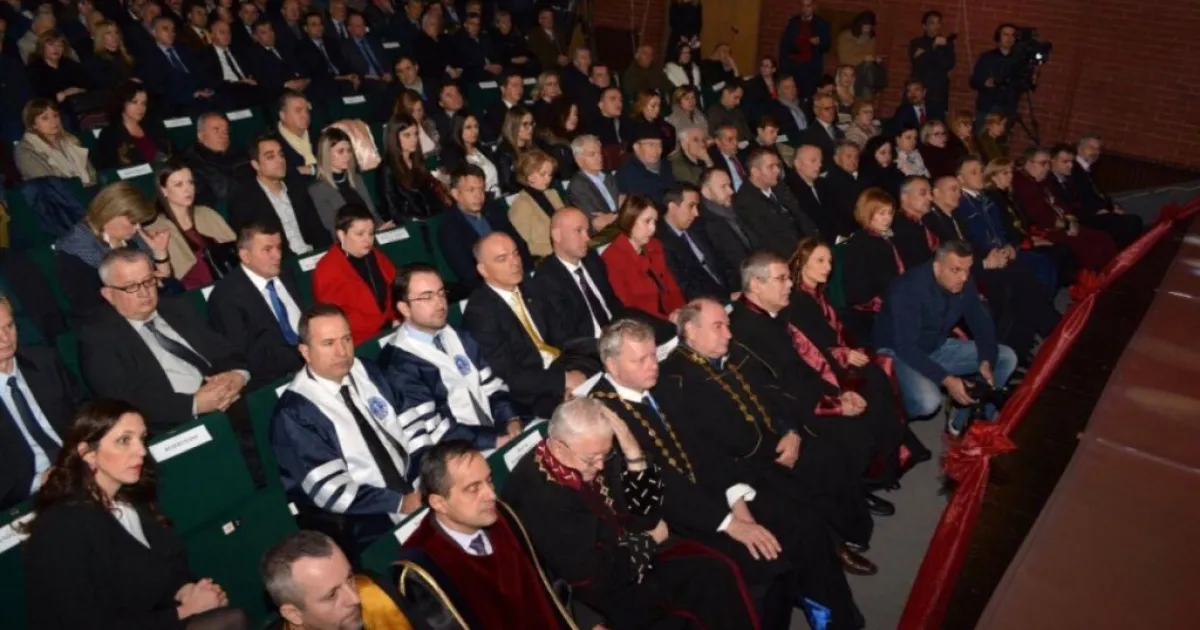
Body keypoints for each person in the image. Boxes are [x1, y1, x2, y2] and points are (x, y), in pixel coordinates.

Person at [589, 316, 867, 629]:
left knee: (805, 525)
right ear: (612, 365)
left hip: (715, 492)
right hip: (672, 521)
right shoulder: (601, 417)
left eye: (653, 355)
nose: (652, 365)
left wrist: (738, 503)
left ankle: (837, 622)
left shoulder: (664, 385)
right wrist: (730, 523)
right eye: (639, 360)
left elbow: (707, 449)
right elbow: (658, 492)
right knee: (769, 566)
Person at [502, 397, 760, 630]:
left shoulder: (592, 453)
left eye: (606, 455)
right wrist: (649, 541)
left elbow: (648, 515)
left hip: (631, 556)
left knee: (716, 572)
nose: (600, 466)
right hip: (601, 591)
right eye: (591, 459)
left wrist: (633, 454)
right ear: (558, 449)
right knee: (692, 603)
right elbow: (590, 576)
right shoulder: (536, 494)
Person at [23, 399, 249, 630]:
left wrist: (187, 591)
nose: (141, 451)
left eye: (142, 438)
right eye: (124, 440)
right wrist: (186, 610)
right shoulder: (61, 525)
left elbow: (161, 569)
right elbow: (86, 623)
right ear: (88, 453)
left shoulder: (130, 500)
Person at [730, 251, 899, 515]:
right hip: (788, 414)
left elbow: (809, 361)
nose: (790, 284)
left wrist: (838, 392)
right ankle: (849, 502)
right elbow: (781, 388)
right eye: (781, 278)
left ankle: (861, 485)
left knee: (872, 390)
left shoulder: (773, 314)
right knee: (854, 434)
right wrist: (836, 405)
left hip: (807, 393)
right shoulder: (747, 330)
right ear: (756, 285)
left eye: (789, 277)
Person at [272, 303, 421, 550]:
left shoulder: (367, 371)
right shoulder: (295, 412)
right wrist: (399, 503)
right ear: (305, 352)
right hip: (363, 518)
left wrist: (423, 476)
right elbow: (331, 491)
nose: (342, 352)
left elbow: (412, 425)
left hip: (412, 485)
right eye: (328, 343)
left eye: (347, 339)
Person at [404, 438, 578, 629]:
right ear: (439, 503)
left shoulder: (504, 516)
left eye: (489, 480)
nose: (491, 495)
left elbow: (549, 586)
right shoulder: (420, 570)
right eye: (473, 488)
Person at [789, 239, 931, 471]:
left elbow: (838, 331)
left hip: (840, 355)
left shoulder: (818, 294)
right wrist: (842, 355)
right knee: (874, 380)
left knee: (880, 371)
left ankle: (898, 447)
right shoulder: (798, 301)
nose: (827, 267)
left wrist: (850, 350)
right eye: (820, 261)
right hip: (824, 368)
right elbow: (808, 347)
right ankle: (888, 458)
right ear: (802, 263)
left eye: (829, 261)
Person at [78, 249, 250, 434]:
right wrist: (194, 404)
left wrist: (237, 376)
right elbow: (123, 401)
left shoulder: (177, 307)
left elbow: (225, 350)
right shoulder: (97, 337)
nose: (144, 293)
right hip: (177, 426)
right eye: (131, 287)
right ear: (109, 294)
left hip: (230, 398)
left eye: (148, 281)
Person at [379, 265, 521, 466]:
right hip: (457, 457)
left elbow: (492, 386)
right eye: (427, 297)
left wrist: (511, 420)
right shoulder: (398, 364)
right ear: (404, 308)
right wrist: (494, 440)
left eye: (441, 293)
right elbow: (435, 430)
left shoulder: (456, 334)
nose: (440, 303)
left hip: (497, 435)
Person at [875, 240, 1019, 435]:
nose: (964, 277)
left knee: (1006, 357)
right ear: (937, 266)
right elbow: (905, 346)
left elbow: (980, 320)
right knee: (928, 401)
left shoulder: (963, 280)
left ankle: (969, 420)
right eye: (956, 270)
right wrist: (947, 379)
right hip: (898, 353)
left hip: (936, 345)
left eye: (967, 269)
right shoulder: (908, 289)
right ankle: (891, 419)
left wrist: (986, 358)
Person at [462, 232, 592, 417]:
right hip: (532, 392)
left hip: (562, 364)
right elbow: (508, 375)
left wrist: (581, 362)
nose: (515, 262)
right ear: (483, 270)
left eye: (516, 254)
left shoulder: (531, 287)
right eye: (502, 259)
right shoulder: (480, 314)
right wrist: (563, 380)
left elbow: (560, 334)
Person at [0, 295, 83, 510]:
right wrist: (40, 482)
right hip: (30, 497)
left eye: (9, 326)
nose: (5, 338)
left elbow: (83, 411)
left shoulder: (44, 361)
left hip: (81, 464)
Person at [54, 182, 177, 316]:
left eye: (139, 222)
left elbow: (166, 285)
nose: (138, 228)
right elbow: (88, 306)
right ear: (110, 214)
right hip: (111, 319)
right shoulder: (75, 250)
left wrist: (160, 252)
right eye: (133, 222)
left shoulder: (134, 239)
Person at [206, 222, 306, 386]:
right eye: (267, 250)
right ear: (245, 256)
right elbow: (241, 356)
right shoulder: (226, 297)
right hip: (273, 379)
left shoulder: (287, 274)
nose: (277, 256)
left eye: (279, 247)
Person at [261, 530, 424, 630]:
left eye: (349, 578)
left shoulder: (374, 595)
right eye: (332, 595)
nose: (354, 598)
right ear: (294, 614)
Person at [957, 154, 1059, 293]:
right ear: (961, 179)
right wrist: (993, 254)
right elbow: (972, 238)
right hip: (989, 257)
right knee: (1030, 274)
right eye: (973, 172)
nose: (980, 175)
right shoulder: (962, 204)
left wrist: (1010, 246)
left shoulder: (986, 199)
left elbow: (1001, 228)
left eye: (981, 171)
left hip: (1004, 251)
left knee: (1044, 264)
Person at [1011, 147, 1117, 271]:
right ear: (1028, 163)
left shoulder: (1043, 182)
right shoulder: (1023, 184)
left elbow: (1060, 203)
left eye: (1048, 163)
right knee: (1089, 247)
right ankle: (1091, 277)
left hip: (1063, 224)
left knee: (1103, 238)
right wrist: (1067, 224)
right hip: (1045, 230)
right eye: (1043, 163)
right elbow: (1039, 215)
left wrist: (1071, 219)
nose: (1047, 168)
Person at [528, 207, 625, 340]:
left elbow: (612, 301)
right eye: (578, 231)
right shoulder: (546, 280)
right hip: (590, 344)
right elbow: (565, 335)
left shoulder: (592, 260)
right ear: (557, 235)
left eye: (587, 231)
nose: (587, 238)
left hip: (618, 331)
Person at [143, 160, 238, 289]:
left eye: (190, 182)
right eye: (179, 185)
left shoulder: (207, 213)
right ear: (163, 190)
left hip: (229, 283)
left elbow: (236, 250)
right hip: (192, 293)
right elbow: (164, 282)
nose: (188, 189)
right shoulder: (156, 229)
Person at [231, 134, 331, 256]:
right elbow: (253, 249)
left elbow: (318, 231)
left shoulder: (297, 189)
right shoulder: (244, 200)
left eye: (281, 155)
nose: (280, 160)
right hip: (280, 261)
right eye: (270, 157)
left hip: (313, 254)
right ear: (256, 165)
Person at [983, 157, 1076, 286]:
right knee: (1051, 256)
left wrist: (1032, 237)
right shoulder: (992, 198)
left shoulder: (1007, 195)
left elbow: (1023, 220)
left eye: (1011, 172)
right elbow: (1005, 226)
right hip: (1013, 244)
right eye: (1005, 173)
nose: (1010, 176)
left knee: (1062, 248)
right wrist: (1029, 242)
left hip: (1024, 237)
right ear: (993, 176)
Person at [313, 205, 398, 345]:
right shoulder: (327, 269)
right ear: (341, 235)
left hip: (390, 328)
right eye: (359, 234)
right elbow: (339, 317)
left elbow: (394, 287)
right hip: (361, 340)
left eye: (371, 233)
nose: (367, 240)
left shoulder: (375, 255)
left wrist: (396, 318)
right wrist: (385, 325)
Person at [437, 165, 530, 291]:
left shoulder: (494, 209)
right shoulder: (449, 227)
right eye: (471, 190)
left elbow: (519, 245)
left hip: (518, 277)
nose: (478, 196)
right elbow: (467, 273)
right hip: (487, 288)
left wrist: (528, 275)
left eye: (481, 189)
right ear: (455, 194)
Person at [839, 188, 909, 342]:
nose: (887, 218)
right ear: (868, 213)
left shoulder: (887, 240)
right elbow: (859, 293)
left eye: (890, 213)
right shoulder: (860, 245)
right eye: (881, 213)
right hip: (873, 315)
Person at [602, 196, 686, 322]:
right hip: (645, 324)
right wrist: (667, 320)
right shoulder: (612, 257)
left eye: (654, 222)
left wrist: (682, 312)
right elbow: (628, 306)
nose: (653, 228)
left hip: (672, 317)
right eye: (647, 221)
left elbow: (672, 288)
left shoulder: (654, 245)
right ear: (630, 220)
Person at [1049, 142, 1143, 249]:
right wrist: (1095, 212)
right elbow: (1067, 207)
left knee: (1132, 221)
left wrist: (1104, 209)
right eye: (1065, 162)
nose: (1070, 165)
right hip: (1077, 220)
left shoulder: (1068, 179)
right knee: (1126, 224)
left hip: (1085, 216)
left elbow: (1087, 198)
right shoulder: (1050, 181)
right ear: (1053, 161)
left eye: (1071, 162)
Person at [734, 147, 818, 257]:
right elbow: (767, 240)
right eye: (770, 167)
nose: (777, 170)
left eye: (777, 165)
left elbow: (800, 215)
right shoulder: (745, 201)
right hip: (786, 256)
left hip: (806, 247)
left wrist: (816, 242)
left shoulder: (779, 187)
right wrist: (801, 255)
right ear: (755, 172)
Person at [657, 183, 732, 300]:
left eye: (697, 206)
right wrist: (725, 298)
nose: (696, 213)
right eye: (691, 206)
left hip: (728, 290)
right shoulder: (660, 242)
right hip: (708, 301)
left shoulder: (697, 226)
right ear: (672, 207)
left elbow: (722, 260)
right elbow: (685, 287)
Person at [309, 127, 383, 235]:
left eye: (349, 151)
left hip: (374, 233)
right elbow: (332, 228)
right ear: (326, 154)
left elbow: (373, 213)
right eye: (340, 151)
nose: (347, 156)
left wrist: (382, 226)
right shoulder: (318, 189)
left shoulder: (356, 179)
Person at [14, 98, 96, 186]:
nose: (53, 121)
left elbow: (92, 175)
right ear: (33, 124)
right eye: (45, 118)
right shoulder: (25, 151)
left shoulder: (71, 141)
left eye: (55, 115)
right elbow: (48, 185)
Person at [94, 81, 173, 169]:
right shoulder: (110, 134)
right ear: (122, 103)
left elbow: (172, 153)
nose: (140, 108)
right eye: (134, 102)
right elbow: (107, 168)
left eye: (144, 103)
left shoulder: (154, 125)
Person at [787, 144, 856, 241]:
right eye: (813, 160)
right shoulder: (789, 190)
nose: (819, 165)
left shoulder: (823, 184)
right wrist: (836, 238)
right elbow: (808, 223)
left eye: (820, 161)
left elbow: (839, 212)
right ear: (797, 163)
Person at [506, 150, 565, 259]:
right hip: (546, 257)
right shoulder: (520, 205)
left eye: (550, 174)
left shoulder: (553, 194)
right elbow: (524, 245)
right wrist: (557, 250)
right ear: (529, 176)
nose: (548, 179)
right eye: (543, 174)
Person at [27, 30, 92, 118]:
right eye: (51, 45)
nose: (56, 49)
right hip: (52, 111)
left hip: (80, 106)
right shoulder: (34, 69)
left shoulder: (70, 64)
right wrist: (62, 95)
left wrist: (78, 90)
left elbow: (89, 84)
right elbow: (37, 97)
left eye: (60, 45)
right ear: (42, 46)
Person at [565, 135, 621, 234]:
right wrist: (622, 214)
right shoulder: (578, 187)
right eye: (592, 154)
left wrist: (617, 215)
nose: (599, 157)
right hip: (602, 236)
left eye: (599, 152)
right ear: (578, 160)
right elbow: (597, 222)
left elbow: (621, 207)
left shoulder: (608, 177)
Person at [907, 11, 955, 121]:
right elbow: (917, 62)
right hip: (919, 90)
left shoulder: (946, 44)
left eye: (938, 23)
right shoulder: (917, 42)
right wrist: (932, 47)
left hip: (937, 92)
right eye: (932, 23)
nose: (936, 26)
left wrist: (942, 47)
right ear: (924, 26)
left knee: (936, 122)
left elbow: (948, 64)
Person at [439, 113, 500, 198]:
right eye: (468, 127)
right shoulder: (452, 156)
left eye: (476, 126)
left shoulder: (482, 149)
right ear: (458, 129)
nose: (475, 131)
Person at [970, 23, 1019, 128]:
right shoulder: (987, 57)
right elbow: (974, 81)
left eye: (1012, 35)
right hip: (987, 106)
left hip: (1007, 108)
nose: (1009, 38)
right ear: (998, 37)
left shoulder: (1018, 60)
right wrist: (985, 82)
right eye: (1005, 35)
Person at [615, 123, 675, 207]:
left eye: (660, 145)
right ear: (636, 147)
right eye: (651, 145)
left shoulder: (666, 165)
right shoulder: (627, 174)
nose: (657, 150)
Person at [779, 0, 830, 95]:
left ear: (814, 7)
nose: (805, 9)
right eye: (803, 6)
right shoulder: (794, 22)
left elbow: (826, 46)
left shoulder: (821, 24)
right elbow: (784, 45)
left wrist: (818, 43)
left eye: (808, 6)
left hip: (810, 68)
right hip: (793, 65)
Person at [84, 21, 139, 93]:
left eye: (116, 32)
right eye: (108, 33)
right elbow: (104, 85)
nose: (114, 36)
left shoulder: (126, 55)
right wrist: (128, 82)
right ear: (100, 37)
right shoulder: (96, 60)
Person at [493, 106, 537, 193]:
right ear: (513, 126)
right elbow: (507, 184)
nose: (530, 128)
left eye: (531, 123)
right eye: (525, 124)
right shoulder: (504, 153)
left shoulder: (533, 147)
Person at [536, 98, 579, 180]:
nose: (573, 118)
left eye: (575, 114)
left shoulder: (574, 138)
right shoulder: (551, 143)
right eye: (568, 113)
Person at [481, 71, 525, 145]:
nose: (520, 89)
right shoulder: (494, 113)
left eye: (521, 86)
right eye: (515, 85)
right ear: (503, 89)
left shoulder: (526, 109)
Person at [630, 90, 677, 156]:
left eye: (659, 105)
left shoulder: (661, 123)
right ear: (642, 106)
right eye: (653, 106)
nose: (657, 109)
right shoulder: (635, 126)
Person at [798, 93, 842, 165]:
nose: (831, 111)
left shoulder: (839, 131)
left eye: (833, 108)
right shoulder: (809, 135)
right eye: (827, 109)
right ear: (816, 111)